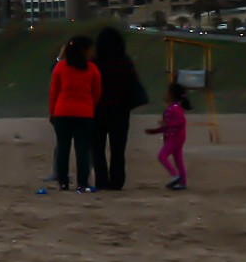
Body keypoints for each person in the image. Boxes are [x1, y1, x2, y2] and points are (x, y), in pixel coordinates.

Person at [90, 27, 149, 190]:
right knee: (118, 149)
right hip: (120, 111)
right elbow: (132, 84)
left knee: (97, 148)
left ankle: (101, 180)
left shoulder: (94, 62)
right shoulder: (125, 61)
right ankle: (117, 181)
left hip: (97, 110)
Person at [47, 35, 102, 192]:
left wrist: (52, 112)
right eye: (90, 50)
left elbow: (54, 92)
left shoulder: (60, 67)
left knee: (63, 149)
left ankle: (63, 182)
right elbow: (97, 92)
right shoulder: (92, 69)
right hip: (84, 114)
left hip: (62, 112)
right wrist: (89, 106)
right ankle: (82, 183)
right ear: (84, 51)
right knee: (82, 150)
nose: (92, 52)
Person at [146, 80, 191, 190]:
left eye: (167, 92)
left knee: (162, 156)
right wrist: (154, 131)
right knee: (178, 160)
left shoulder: (174, 108)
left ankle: (175, 176)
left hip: (175, 138)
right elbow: (167, 127)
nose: (165, 94)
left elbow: (181, 121)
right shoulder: (172, 108)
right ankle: (183, 182)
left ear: (171, 95)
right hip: (175, 138)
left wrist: (167, 124)